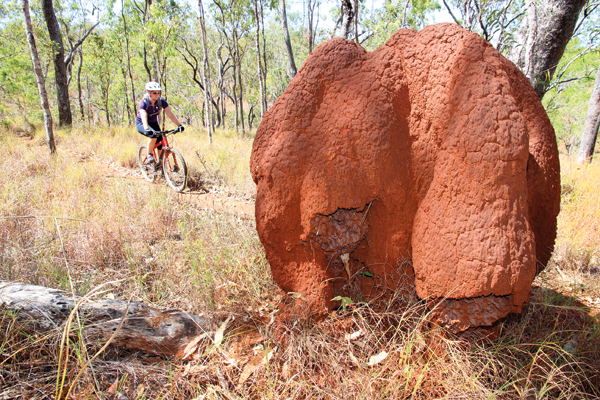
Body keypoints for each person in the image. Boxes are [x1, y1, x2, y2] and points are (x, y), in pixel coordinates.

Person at [136, 81, 184, 165]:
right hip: (142, 123)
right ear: (148, 92)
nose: (157, 94)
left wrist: (179, 125)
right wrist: (147, 129)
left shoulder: (161, 101)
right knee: (153, 136)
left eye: (158, 92)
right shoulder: (143, 102)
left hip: (154, 122)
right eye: (154, 92)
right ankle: (149, 155)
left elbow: (170, 114)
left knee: (161, 144)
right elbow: (144, 116)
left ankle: (161, 167)